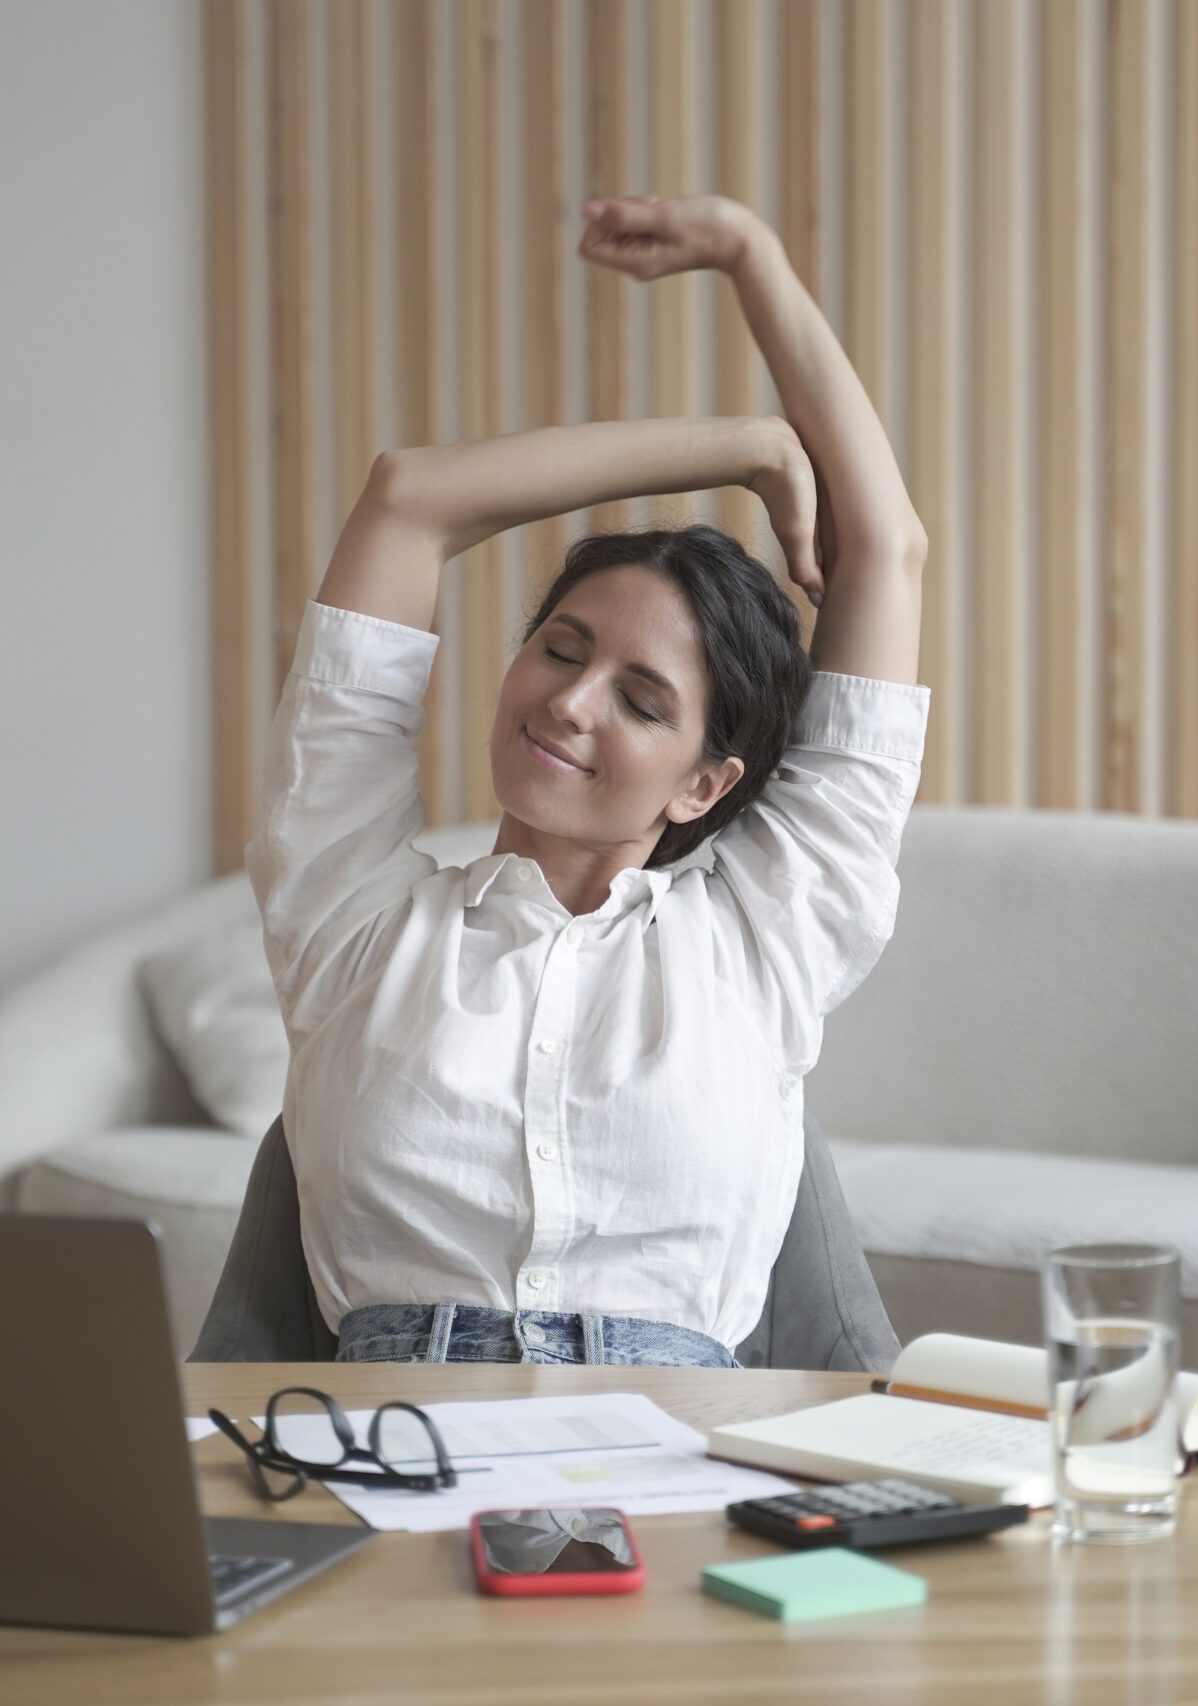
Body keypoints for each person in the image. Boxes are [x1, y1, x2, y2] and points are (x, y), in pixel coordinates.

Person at [248, 193, 928, 1368]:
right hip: (399, 1441)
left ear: (703, 786)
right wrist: (746, 446)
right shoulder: (350, 912)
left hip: (680, 1453)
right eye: (560, 649)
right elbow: (409, 497)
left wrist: (748, 255)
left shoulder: (766, 934)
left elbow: (885, 549)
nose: (568, 700)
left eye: (641, 698)